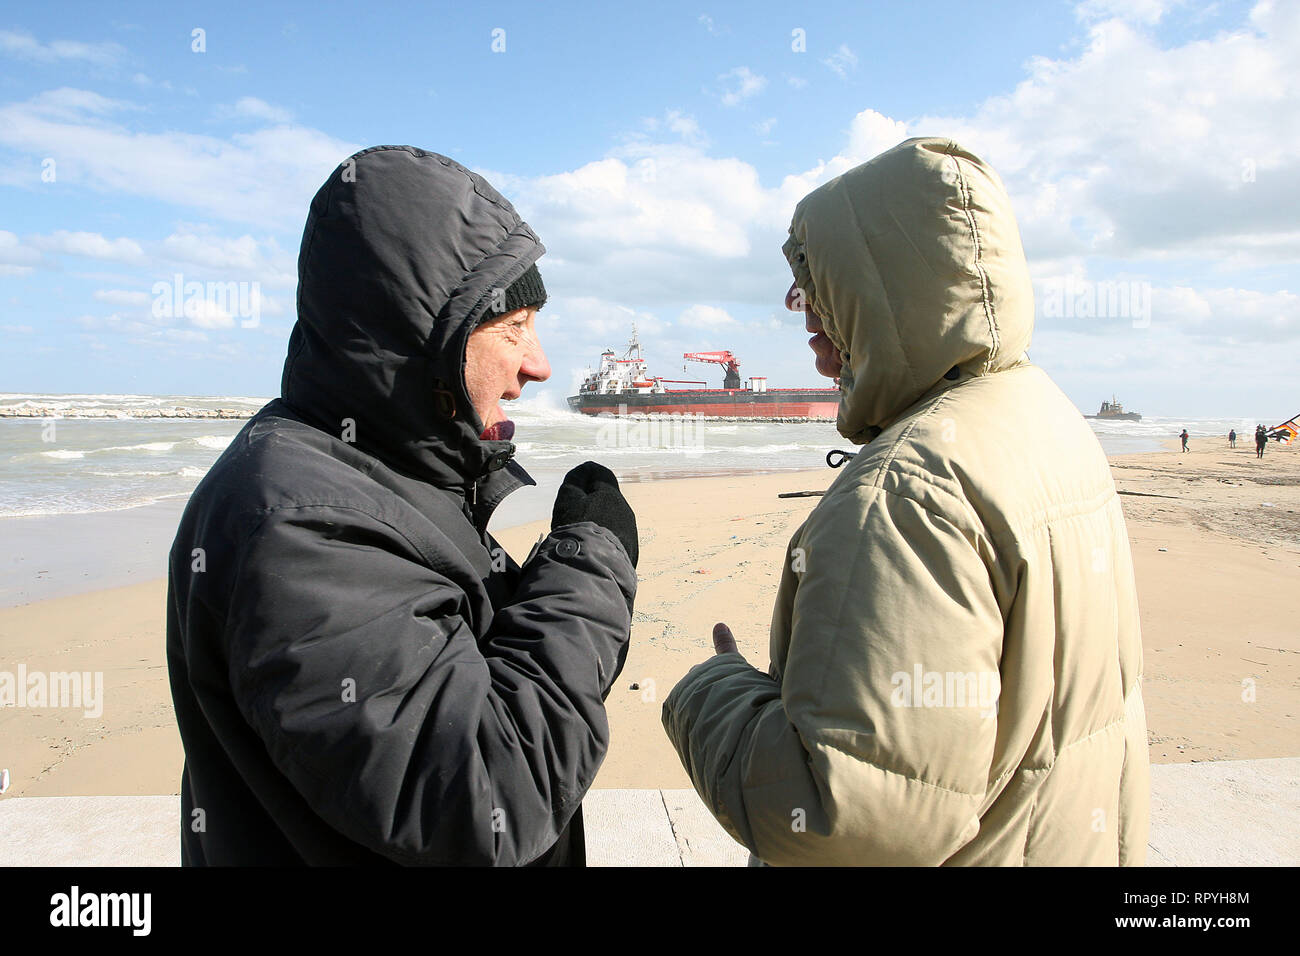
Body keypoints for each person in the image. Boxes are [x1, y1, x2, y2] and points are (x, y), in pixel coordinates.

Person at [662, 137, 1148, 866]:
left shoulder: (906, 491)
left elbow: (847, 822)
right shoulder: (1045, 418)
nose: (805, 320)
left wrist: (709, 691)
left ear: (886, 291)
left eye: (821, 286)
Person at [166, 146, 638, 866]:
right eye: (513, 328)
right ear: (430, 336)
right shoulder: (301, 523)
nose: (539, 365)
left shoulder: (376, 470)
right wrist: (587, 566)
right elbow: (490, 796)